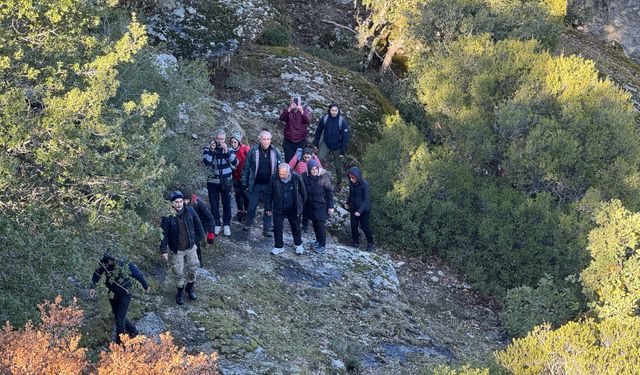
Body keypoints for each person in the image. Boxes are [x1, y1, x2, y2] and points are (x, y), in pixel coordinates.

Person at [89, 252, 149, 344]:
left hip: (125, 293)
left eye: (110, 260)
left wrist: (146, 286)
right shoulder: (104, 262)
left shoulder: (125, 263)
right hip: (112, 293)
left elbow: (138, 275)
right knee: (118, 315)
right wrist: (93, 286)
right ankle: (133, 330)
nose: (108, 262)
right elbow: (97, 273)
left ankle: (120, 345)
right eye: (107, 260)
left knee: (119, 320)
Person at [160, 190, 205, 305]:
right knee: (178, 271)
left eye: (181, 201)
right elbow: (163, 234)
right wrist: (164, 250)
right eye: (176, 202)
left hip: (190, 246)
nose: (179, 204)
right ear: (172, 203)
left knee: (194, 267)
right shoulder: (167, 216)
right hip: (177, 249)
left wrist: (200, 239)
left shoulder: (190, 210)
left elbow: (198, 224)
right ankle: (180, 292)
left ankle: (190, 288)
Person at [241, 130, 282, 237]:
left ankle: (266, 229)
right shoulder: (253, 151)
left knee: (269, 208)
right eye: (264, 139)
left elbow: (280, 167)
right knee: (252, 206)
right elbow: (246, 168)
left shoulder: (275, 151)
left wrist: (279, 183)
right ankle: (248, 224)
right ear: (260, 140)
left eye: (268, 139)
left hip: (269, 185)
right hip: (256, 184)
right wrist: (244, 183)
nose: (266, 141)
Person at [265, 163, 307, 255]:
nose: (281, 176)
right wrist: (268, 207)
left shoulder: (296, 178)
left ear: (289, 172)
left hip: (293, 208)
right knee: (277, 227)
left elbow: (303, 193)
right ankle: (279, 246)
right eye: (280, 173)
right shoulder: (274, 178)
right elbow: (269, 194)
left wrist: (300, 206)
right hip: (278, 207)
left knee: (295, 227)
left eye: (283, 174)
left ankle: (298, 244)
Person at [203, 129, 238, 237]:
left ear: (224, 139)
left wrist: (226, 152)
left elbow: (235, 162)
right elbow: (206, 162)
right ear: (215, 138)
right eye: (218, 138)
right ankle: (216, 224)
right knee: (214, 204)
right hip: (212, 181)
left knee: (227, 204)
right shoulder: (208, 148)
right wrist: (212, 151)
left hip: (226, 181)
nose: (219, 141)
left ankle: (227, 225)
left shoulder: (229, 149)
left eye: (221, 139)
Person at [312, 103, 350, 186]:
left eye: (336, 110)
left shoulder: (341, 121)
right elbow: (319, 131)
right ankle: (319, 177)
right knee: (319, 158)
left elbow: (345, 137)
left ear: (338, 111)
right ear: (329, 110)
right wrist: (316, 143)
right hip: (326, 144)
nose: (334, 112)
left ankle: (339, 183)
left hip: (338, 146)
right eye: (332, 110)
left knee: (338, 166)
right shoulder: (325, 119)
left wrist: (342, 151)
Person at [302, 160, 334, 253]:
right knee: (314, 223)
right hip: (310, 205)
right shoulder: (305, 176)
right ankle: (317, 240)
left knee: (320, 225)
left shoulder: (324, 176)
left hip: (321, 205)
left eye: (316, 168)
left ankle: (322, 244)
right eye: (312, 169)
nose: (314, 171)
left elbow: (329, 192)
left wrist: (330, 207)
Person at [181, 186, 216, 267]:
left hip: (199, 227)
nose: (185, 202)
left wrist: (211, 233)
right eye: (184, 200)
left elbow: (210, 218)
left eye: (187, 200)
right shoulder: (178, 204)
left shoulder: (198, 203)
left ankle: (199, 265)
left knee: (196, 246)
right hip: (186, 227)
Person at [345, 167, 373, 251]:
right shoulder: (351, 183)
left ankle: (370, 243)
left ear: (357, 177)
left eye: (352, 177)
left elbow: (366, 200)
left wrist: (359, 211)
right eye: (350, 177)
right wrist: (347, 203)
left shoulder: (365, 185)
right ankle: (355, 243)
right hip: (354, 207)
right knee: (353, 226)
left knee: (364, 227)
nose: (351, 179)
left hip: (364, 210)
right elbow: (351, 194)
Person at [280, 95, 311, 162]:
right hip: (289, 141)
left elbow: (308, 121)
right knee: (288, 161)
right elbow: (281, 118)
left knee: (301, 161)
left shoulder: (305, 110)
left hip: (301, 141)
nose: (295, 103)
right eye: (293, 101)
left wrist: (302, 112)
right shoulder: (287, 110)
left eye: (297, 101)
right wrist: (289, 109)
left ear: (300, 102)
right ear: (290, 102)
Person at [230, 132, 250, 223]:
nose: (233, 144)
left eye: (235, 142)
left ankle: (246, 212)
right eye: (232, 142)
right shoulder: (229, 150)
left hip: (245, 175)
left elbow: (251, 160)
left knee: (245, 194)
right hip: (235, 175)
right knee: (238, 194)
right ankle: (239, 211)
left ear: (239, 142)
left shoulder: (245, 149)